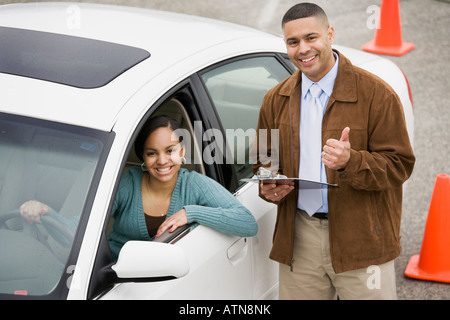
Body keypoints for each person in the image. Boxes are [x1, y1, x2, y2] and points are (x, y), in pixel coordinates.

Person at [253, 3, 415, 300]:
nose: (303, 49)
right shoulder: (275, 99)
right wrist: (270, 183)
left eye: (311, 38)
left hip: (363, 239)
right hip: (299, 239)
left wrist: (351, 161)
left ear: (330, 34)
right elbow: (263, 160)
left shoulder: (377, 95)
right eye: (293, 42)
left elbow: (400, 165)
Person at [21, 115, 258, 261]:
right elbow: (77, 229)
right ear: (142, 156)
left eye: (170, 151)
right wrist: (45, 213)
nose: (163, 161)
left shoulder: (194, 184)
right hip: (115, 280)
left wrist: (191, 213)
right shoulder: (129, 182)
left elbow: (247, 223)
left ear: (182, 151)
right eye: (152, 153)